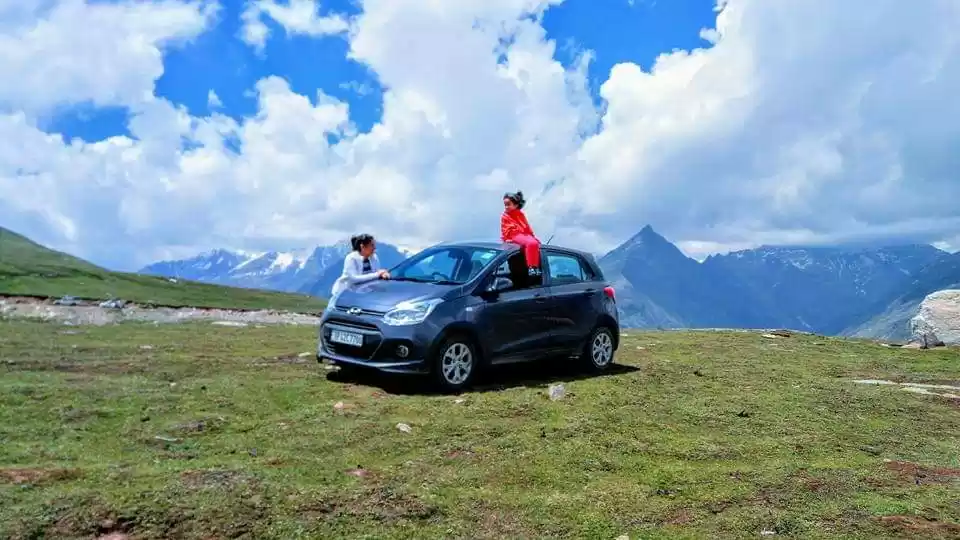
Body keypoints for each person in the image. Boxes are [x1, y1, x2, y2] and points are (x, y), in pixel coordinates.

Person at [330, 233, 390, 298]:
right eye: (372, 245)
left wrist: (383, 274)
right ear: (362, 246)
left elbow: (375, 276)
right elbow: (354, 279)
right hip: (343, 294)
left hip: (362, 295)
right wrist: (378, 274)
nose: (374, 248)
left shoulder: (374, 258)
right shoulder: (351, 258)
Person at [500, 190, 542, 278]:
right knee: (532, 243)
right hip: (513, 235)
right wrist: (507, 239)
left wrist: (532, 236)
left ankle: (535, 266)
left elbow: (527, 227)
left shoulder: (520, 215)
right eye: (505, 205)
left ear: (515, 205)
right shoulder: (505, 216)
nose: (506, 207)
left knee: (536, 243)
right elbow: (505, 230)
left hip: (523, 235)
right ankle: (531, 267)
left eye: (508, 204)